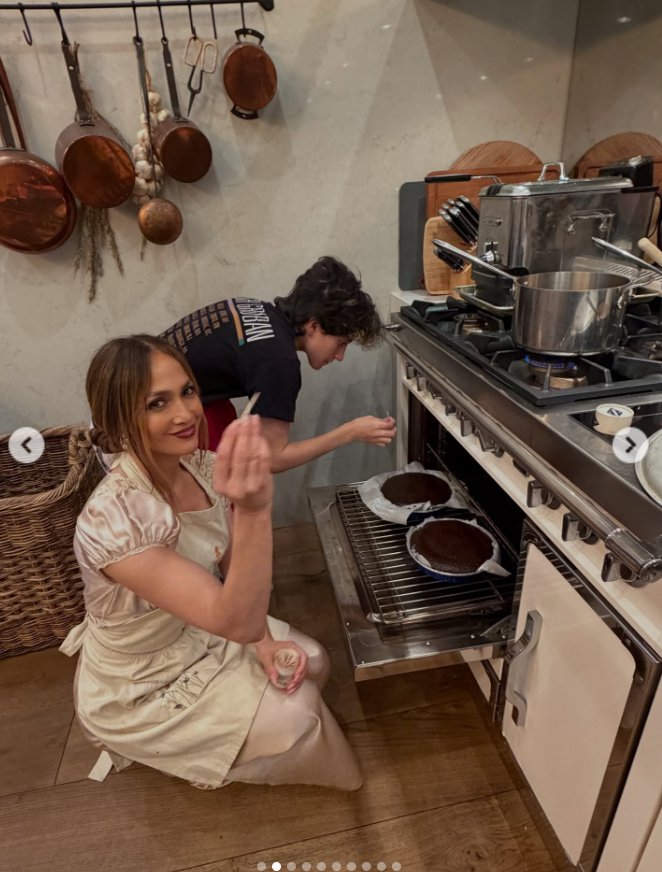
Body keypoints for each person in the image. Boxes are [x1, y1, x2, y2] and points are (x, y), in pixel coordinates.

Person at [60, 334, 362, 791]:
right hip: (142, 680)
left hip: (199, 627)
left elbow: (235, 573)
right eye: (157, 403)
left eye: (187, 391)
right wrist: (257, 510)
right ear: (120, 425)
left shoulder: (201, 467)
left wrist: (262, 641)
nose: (185, 413)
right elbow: (234, 620)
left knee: (314, 662)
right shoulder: (114, 520)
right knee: (301, 716)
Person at [161, 256, 396, 471]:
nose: (340, 356)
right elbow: (272, 459)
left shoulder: (257, 310)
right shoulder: (279, 362)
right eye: (341, 343)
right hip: (151, 414)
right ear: (313, 326)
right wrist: (350, 432)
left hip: (161, 393)